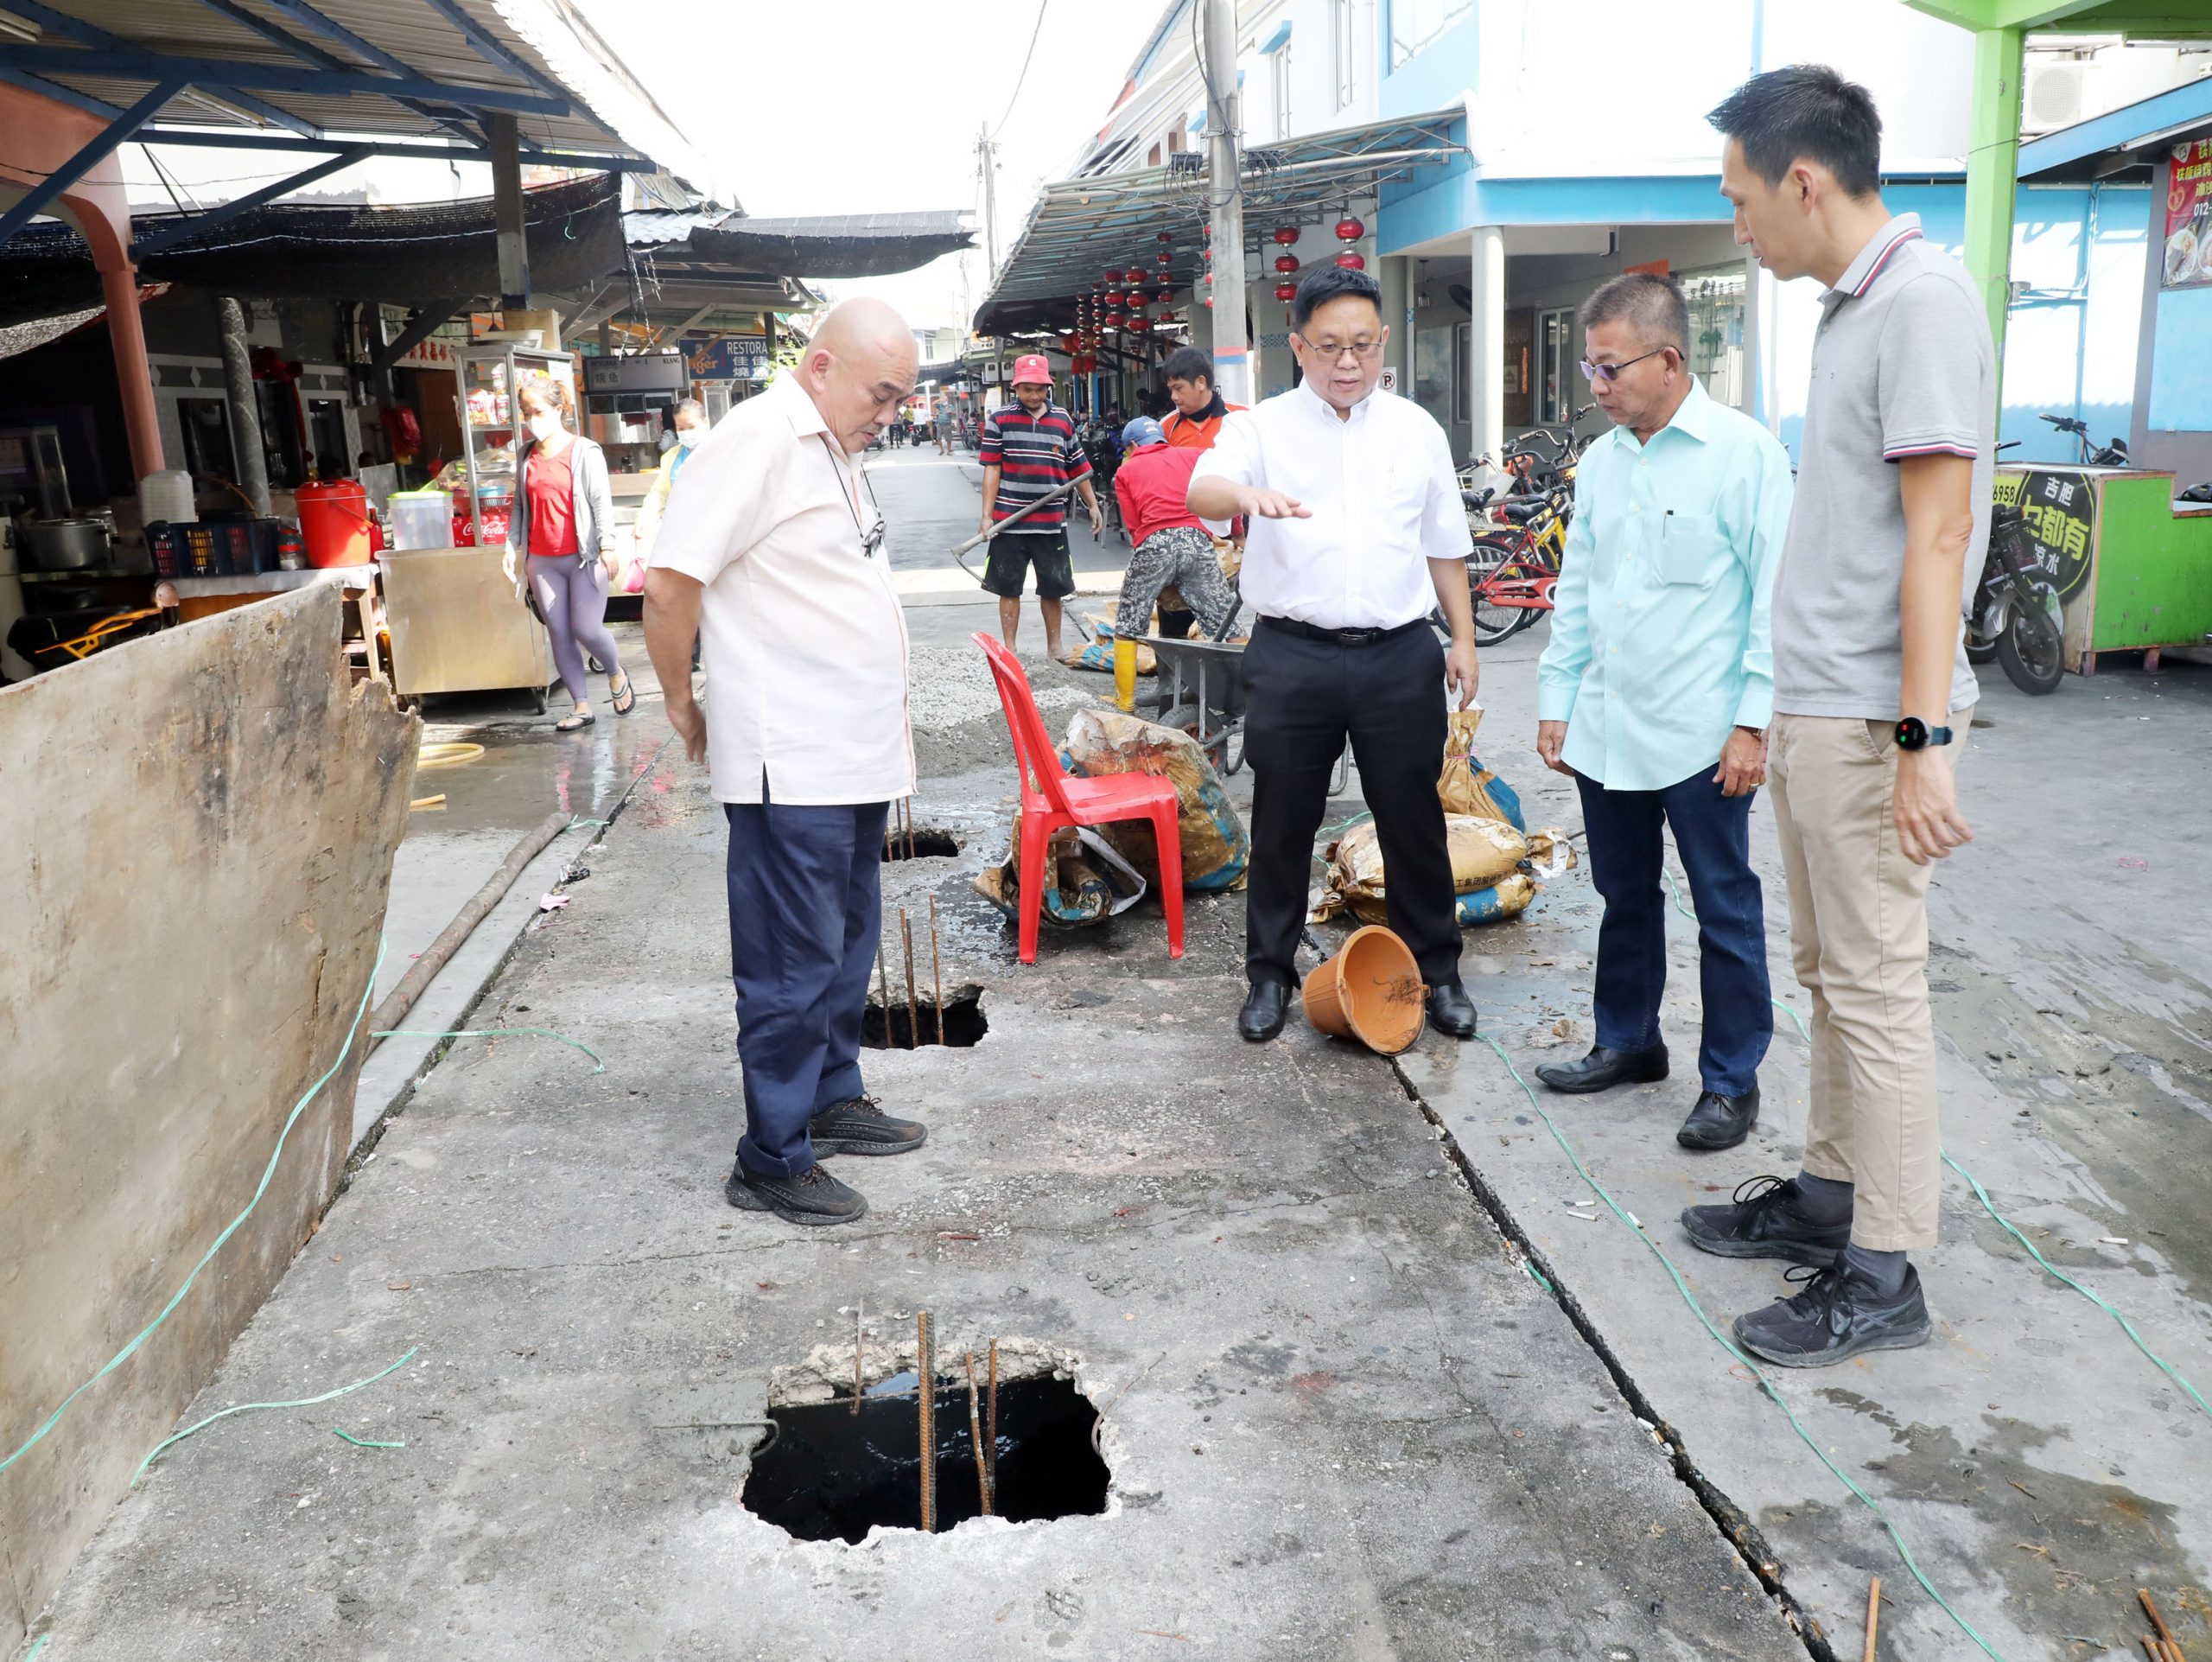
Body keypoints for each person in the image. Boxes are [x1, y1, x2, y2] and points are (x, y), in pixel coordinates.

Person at [1679, 65, 1992, 1367]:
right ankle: (1823, 1193)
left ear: (1804, 179)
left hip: (1876, 720)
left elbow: (1940, 533)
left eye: (1743, 200)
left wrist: (1921, 740)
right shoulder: (1850, 309)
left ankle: (1885, 1267)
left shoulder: (1921, 304)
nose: (1739, 227)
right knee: (1828, 976)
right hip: (1822, 704)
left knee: (1877, 994)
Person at [640, 297, 930, 1228]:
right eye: (880, 393)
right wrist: (683, 702)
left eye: (899, 399)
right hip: (792, 756)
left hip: (852, 753)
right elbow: (671, 583)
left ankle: (830, 1095)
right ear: (819, 366)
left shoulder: (836, 451)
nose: (888, 414)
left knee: (846, 941)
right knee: (790, 961)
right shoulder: (757, 438)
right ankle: (771, 1152)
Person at [1187, 264, 1483, 1046]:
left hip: (1398, 657)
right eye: (1328, 347)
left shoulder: (1415, 428)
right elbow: (1203, 492)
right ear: (1297, 346)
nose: (1346, 363)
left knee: (1413, 820)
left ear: (1382, 341)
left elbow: (1444, 545)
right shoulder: (1262, 427)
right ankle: (1269, 975)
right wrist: (1248, 498)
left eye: (1360, 345)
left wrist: (1461, 639)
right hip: (1294, 656)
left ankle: (1438, 973)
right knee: (1282, 819)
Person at [1532, 272, 1794, 1153]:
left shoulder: (1743, 454)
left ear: (1670, 359)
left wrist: (1753, 722)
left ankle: (1730, 1080)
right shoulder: (1604, 461)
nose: (1595, 387)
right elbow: (1578, 588)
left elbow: (1772, 598)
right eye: (1588, 367)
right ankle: (1630, 1041)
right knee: (1622, 895)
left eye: (1608, 369)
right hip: (1610, 724)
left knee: (1723, 904)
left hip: (1702, 733)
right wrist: (1557, 698)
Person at [501, 373, 632, 732]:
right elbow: (518, 506)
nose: (532, 419)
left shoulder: (585, 451)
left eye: (538, 411)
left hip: (583, 556)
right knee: (559, 632)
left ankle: (615, 671)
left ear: (560, 410)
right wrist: (511, 547)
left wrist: (608, 545)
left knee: (587, 628)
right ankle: (581, 705)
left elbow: (600, 502)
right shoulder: (526, 455)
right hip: (542, 560)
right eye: (526, 412)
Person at [978, 354, 1104, 658]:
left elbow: (1078, 467)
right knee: (1008, 587)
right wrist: (986, 517)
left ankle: (1054, 647)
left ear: (1048, 387)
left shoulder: (1062, 420)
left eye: (1040, 389)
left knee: (1054, 587)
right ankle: (1010, 648)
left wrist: (1092, 505)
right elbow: (992, 470)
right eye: (1027, 389)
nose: (1034, 395)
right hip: (1009, 521)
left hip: (1050, 522)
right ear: (1016, 387)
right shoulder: (1000, 421)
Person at [1110, 417, 1238, 643]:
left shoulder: (1126, 471)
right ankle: (1242, 677)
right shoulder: (1195, 455)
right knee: (1226, 621)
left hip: (1154, 542)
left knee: (1128, 623)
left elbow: (1134, 526)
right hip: (1197, 540)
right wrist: (1237, 533)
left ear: (1133, 446)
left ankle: (1124, 680)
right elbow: (1229, 487)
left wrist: (1152, 568)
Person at [632, 398, 708, 561]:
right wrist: (644, 519)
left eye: (691, 427)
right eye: (681, 428)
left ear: (705, 422)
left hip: (716, 535)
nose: (686, 432)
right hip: (682, 537)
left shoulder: (722, 451)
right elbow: (660, 492)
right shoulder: (671, 457)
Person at [1160, 346, 1246, 451]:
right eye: (1171, 389)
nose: (1173, 397)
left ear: (1201, 382)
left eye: (1178, 388)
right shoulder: (1165, 427)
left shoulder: (1243, 417)